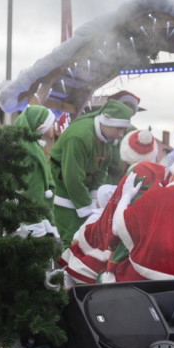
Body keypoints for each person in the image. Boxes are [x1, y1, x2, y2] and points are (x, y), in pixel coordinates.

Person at [48, 99, 134, 244]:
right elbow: (72, 177)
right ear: (107, 120)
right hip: (66, 193)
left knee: (87, 240)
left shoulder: (106, 138)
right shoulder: (79, 137)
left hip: (84, 193)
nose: (121, 134)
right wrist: (88, 207)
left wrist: (95, 197)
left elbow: (102, 168)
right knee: (72, 240)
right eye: (118, 129)